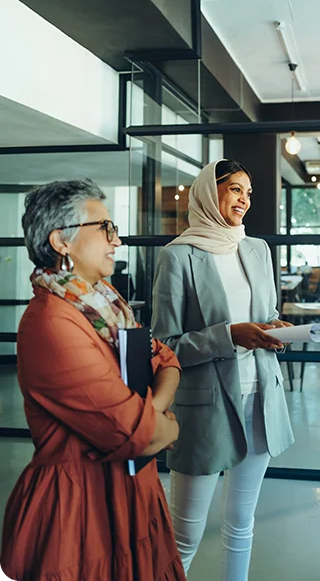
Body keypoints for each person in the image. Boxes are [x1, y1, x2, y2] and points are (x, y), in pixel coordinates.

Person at [0, 179, 185, 581]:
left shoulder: (106, 306)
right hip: (80, 511)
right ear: (61, 241)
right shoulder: (52, 323)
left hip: (132, 493)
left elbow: (168, 361)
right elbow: (139, 435)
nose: (116, 241)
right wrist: (159, 421)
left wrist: (149, 414)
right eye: (105, 228)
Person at [151, 159, 294, 581]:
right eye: (235, 190)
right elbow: (165, 347)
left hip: (261, 398)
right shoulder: (178, 256)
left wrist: (275, 329)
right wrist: (229, 335)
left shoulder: (257, 249)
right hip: (205, 408)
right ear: (208, 193)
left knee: (242, 525)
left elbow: (264, 314)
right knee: (184, 538)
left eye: (249, 192)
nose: (244, 201)